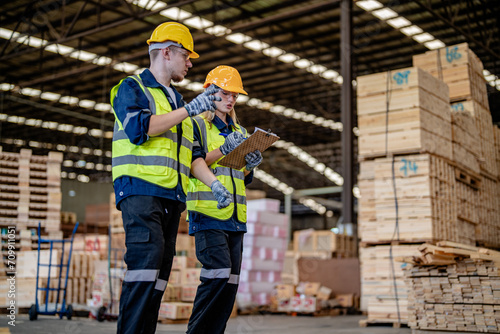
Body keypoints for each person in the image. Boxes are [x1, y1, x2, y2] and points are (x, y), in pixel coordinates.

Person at [110, 22, 235, 334]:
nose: (190, 62)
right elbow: (141, 130)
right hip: (140, 191)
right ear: (165, 52)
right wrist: (191, 109)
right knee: (144, 267)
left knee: (158, 276)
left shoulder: (179, 102)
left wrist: (216, 183)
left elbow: (192, 156)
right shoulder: (131, 88)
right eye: (186, 55)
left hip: (171, 197)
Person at [186, 65, 263, 334]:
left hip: (235, 217)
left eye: (235, 96)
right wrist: (222, 148)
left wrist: (250, 165)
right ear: (210, 91)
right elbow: (192, 163)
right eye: (225, 93)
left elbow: (239, 175)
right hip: (207, 213)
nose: (231, 100)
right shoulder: (196, 124)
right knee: (216, 276)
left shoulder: (239, 130)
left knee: (229, 283)